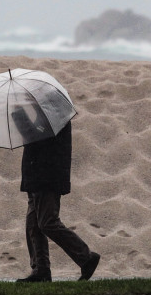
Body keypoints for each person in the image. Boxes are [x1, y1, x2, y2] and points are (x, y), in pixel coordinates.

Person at [16, 117, 100, 283]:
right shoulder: (46, 114)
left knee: (47, 222)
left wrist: (20, 116)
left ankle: (86, 257)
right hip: (36, 176)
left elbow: (38, 140)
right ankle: (41, 270)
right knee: (33, 225)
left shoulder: (54, 117)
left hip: (46, 177)